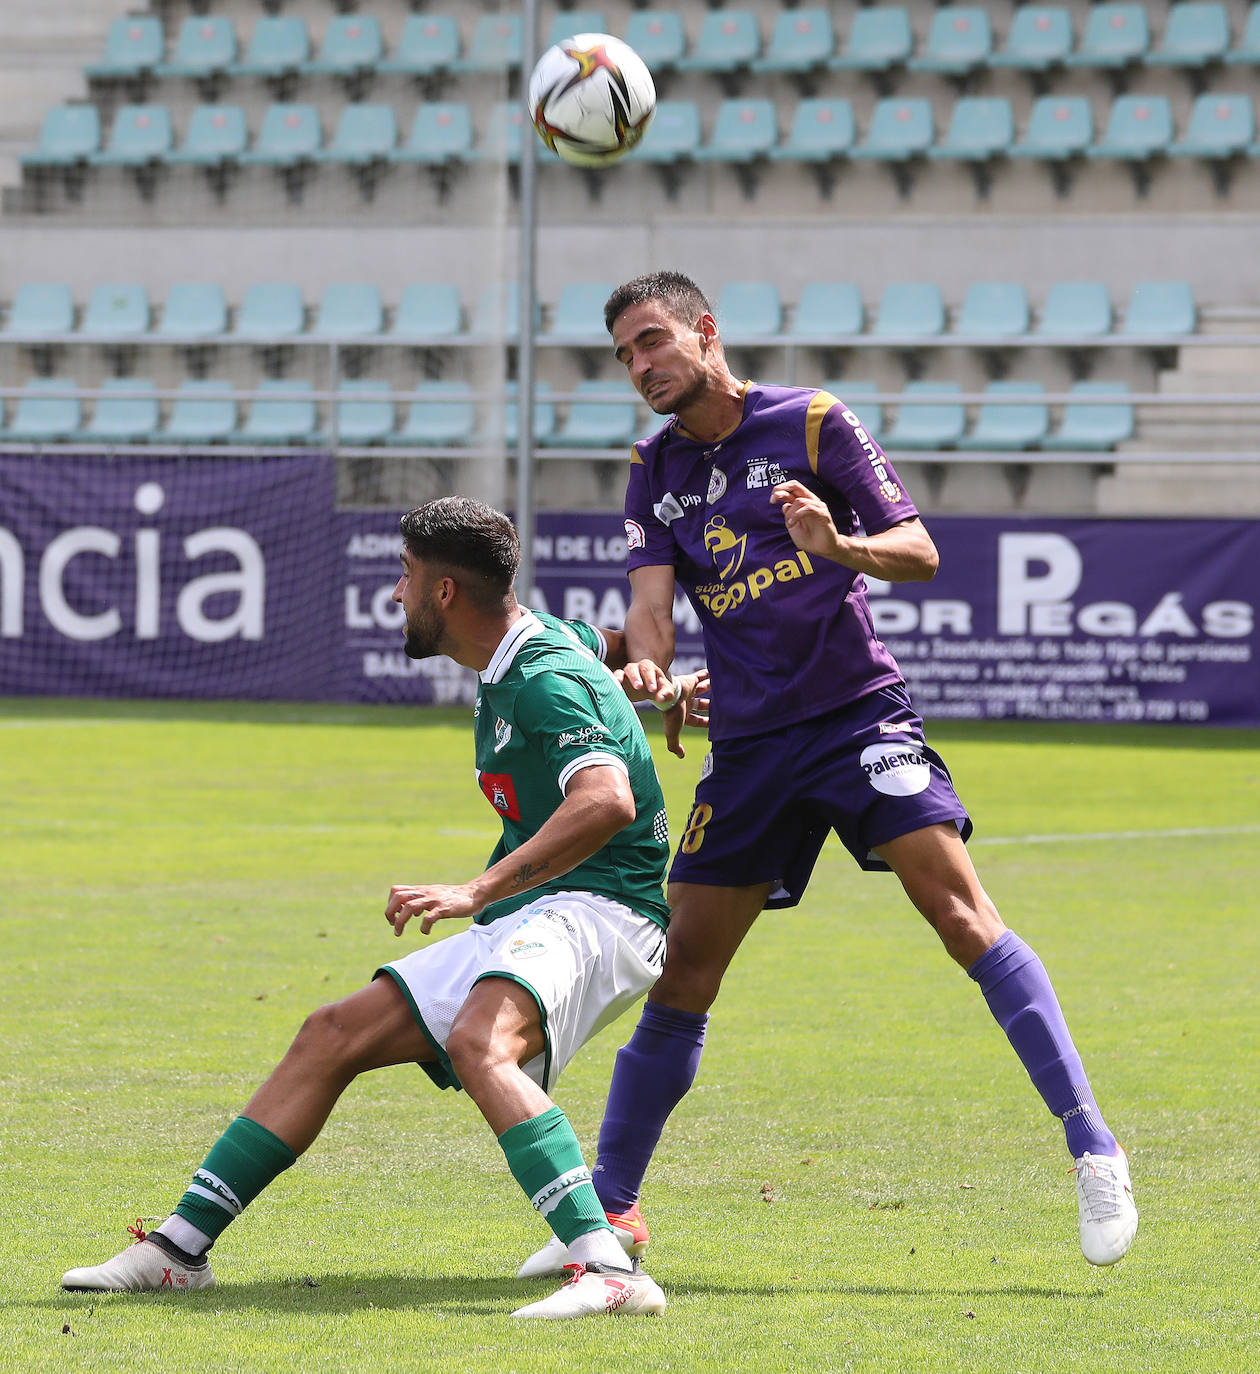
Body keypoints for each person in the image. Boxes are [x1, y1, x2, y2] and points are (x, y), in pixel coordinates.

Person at [518, 270, 1138, 1280]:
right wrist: (651, 670)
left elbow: (920, 551)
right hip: (750, 747)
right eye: (624, 354)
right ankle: (612, 1211)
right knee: (685, 968)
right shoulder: (652, 468)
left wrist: (839, 543)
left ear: (704, 330)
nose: (639, 366)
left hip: (857, 717)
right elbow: (652, 608)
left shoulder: (811, 421)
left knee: (961, 915)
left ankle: (1095, 1148)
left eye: (652, 340)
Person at [61, 495, 679, 1320]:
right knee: (332, 1034)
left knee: (480, 1043)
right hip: (542, 906)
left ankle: (608, 1270)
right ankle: (178, 1250)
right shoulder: (545, 645)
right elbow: (610, 652)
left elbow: (605, 799)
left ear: (445, 592)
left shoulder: (542, 676)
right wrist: (661, 685)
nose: (396, 592)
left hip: (603, 908)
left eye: (406, 576)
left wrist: (473, 890)